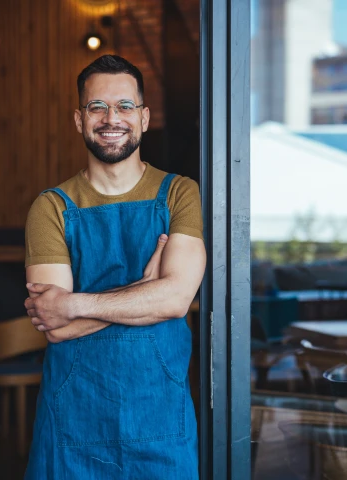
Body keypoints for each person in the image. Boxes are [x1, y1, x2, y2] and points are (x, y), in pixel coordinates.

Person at [23, 55, 206, 479]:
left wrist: (75, 304)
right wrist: (145, 290)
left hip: (161, 422)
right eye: (96, 107)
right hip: (73, 426)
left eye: (124, 106)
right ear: (78, 118)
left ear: (143, 118)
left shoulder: (180, 193)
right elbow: (55, 324)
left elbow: (177, 299)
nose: (111, 118)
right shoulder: (51, 207)